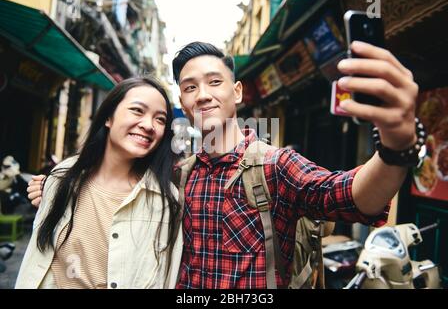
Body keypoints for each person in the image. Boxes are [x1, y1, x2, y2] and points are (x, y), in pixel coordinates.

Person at [29, 40, 421, 289]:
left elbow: (350, 197)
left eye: (214, 82)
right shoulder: (178, 176)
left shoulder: (275, 166)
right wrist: (58, 185)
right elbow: (114, 194)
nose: (202, 95)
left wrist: (396, 147)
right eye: (189, 86)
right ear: (182, 102)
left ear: (236, 93)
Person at [17, 77, 183, 289]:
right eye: (137, 111)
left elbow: (165, 279)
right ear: (108, 118)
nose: (149, 125)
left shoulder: (166, 200)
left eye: (160, 119)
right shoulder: (62, 177)